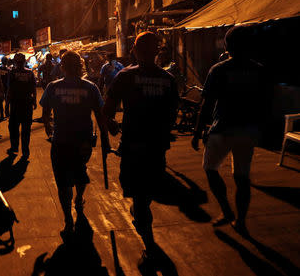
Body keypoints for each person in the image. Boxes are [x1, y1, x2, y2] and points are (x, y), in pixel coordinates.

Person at [103, 32, 179, 259]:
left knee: (139, 197)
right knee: (145, 196)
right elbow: (172, 114)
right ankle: (143, 221)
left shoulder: (125, 76)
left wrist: (111, 125)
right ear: (157, 52)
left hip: (134, 146)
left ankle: (149, 245)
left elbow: (107, 110)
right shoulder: (168, 80)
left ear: (134, 51)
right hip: (156, 147)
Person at [191, 25, 273, 234]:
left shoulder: (219, 70)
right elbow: (266, 102)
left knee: (210, 169)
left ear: (227, 46)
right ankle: (241, 221)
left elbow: (207, 105)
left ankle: (227, 210)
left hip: (223, 129)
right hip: (248, 131)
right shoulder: (259, 70)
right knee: (242, 178)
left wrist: (198, 131)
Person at [40, 51, 109, 239]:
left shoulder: (53, 87)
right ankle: (78, 198)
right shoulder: (90, 87)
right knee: (80, 171)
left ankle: (68, 220)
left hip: (61, 141)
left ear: (62, 67)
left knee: (63, 182)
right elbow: (100, 114)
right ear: (80, 66)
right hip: (83, 142)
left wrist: (48, 124)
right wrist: (105, 137)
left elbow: (45, 111)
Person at [6, 53, 37, 159]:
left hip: (15, 104)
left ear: (15, 62)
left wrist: (6, 105)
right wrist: (35, 101)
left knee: (13, 127)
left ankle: (14, 147)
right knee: (26, 128)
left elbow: (9, 90)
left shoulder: (12, 73)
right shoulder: (29, 73)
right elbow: (34, 88)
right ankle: (25, 150)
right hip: (27, 103)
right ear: (24, 62)